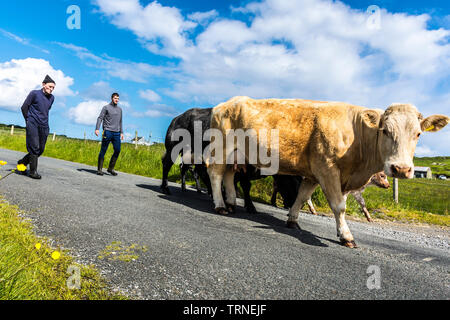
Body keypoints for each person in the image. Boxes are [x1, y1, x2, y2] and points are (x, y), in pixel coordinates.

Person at [18, 75, 55, 179]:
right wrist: (28, 120)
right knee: (34, 147)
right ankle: (33, 172)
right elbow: (24, 107)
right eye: (50, 86)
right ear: (43, 85)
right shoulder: (34, 93)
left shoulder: (52, 98)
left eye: (53, 87)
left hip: (44, 126)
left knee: (40, 149)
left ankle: (22, 162)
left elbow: (46, 110)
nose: (51, 89)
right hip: (33, 123)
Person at [95, 93, 124, 176]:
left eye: (118, 98)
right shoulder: (106, 107)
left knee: (117, 150)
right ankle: (99, 169)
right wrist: (97, 128)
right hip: (107, 131)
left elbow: (120, 121)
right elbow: (100, 118)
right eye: (115, 98)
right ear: (112, 98)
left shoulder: (120, 109)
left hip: (116, 133)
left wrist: (121, 132)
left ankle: (110, 169)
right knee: (103, 150)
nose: (117, 100)